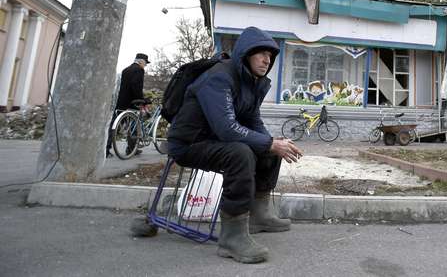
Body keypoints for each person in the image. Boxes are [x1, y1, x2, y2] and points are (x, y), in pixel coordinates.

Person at [167, 26, 303, 264]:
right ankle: (232, 236)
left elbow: (253, 120)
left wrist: (273, 144)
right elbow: (227, 128)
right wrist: (269, 143)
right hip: (189, 143)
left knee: (268, 150)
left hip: (213, 140)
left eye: (270, 56)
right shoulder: (219, 77)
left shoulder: (252, 82)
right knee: (241, 153)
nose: (266, 59)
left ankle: (259, 215)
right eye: (260, 53)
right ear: (245, 54)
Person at [106, 53, 151, 157]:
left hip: (121, 102)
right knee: (135, 124)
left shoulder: (126, 70)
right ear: (141, 61)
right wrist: (142, 100)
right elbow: (136, 86)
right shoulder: (139, 70)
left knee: (115, 126)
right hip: (132, 102)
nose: (145, 65)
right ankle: (131, 149)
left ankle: (106, 149)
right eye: (145, 63)